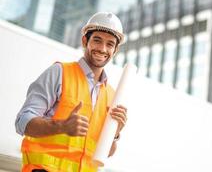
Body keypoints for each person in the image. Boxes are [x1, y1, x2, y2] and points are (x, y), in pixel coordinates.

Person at [15, 12, 128, 172]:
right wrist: (61, 126)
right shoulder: (59, 72)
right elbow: (22, 122)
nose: (103, 49)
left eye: (110, 44)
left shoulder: (111, 94)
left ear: (115, 51)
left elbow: (104, 153)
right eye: (97, 40)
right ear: (85, 41)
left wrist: (114, 134)